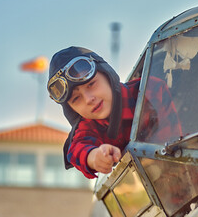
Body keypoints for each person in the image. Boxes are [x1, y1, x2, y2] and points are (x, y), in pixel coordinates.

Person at [47, 46, 181, 179]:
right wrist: (94, 157)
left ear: (107, 75)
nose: (88, 99)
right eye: (76, 99)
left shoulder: (150, 91)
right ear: (71, 110)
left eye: (91, 84)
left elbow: (173, 141)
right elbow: (77, 148)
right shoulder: (88, 126)